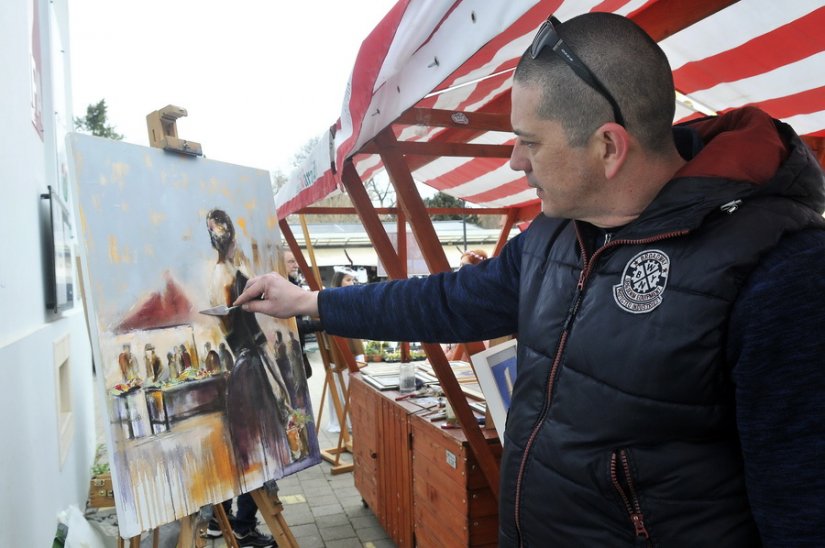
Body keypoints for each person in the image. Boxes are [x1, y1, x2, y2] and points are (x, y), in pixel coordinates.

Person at [233, 12, 825, 546]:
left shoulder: (781, 274)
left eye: (529, 142)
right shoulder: (553, 237)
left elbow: (801, 515)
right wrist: (310, 301)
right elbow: (443, 302)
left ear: (608, 148)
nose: (515, 161)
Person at [325, 269, 364, 433]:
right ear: (339, 281)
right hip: (341, 345)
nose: (351, 283)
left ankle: (352, 419)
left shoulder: (351, 297)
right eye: (348, 280)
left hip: (353, 343)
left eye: (352, 280)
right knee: (344, 381)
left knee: (353, 382)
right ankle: (346, 419)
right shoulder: (333, 298)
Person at [283, 250, 323, 378]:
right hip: (286, 354)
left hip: (296, 350)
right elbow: (291, 325)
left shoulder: (293, 285)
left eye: (296, 261)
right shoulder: (283, 289)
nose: (296, 265)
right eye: (291, 261)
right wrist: (320, 324)